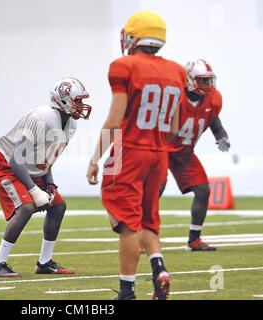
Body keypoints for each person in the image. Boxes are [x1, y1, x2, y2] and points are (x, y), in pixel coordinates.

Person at [86, 10, 186, 300]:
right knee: (147, 220)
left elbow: (115, 120)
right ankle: (159, 269)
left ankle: (127, 291)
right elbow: (175, 126)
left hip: (131, 151)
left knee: (128, 223)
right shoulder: (177, 71)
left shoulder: (124, 65)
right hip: (159, 154)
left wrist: (95, 158)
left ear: (135, 37)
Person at [0, 77, 92, 277]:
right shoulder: (43, 117)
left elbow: (45, 155)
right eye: (78, 101)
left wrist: (49, 183)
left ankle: (44, 262)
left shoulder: (70, 124)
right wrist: (34, 190)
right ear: (64, 100)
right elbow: (16, 159)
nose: (82, 106)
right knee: (25, 207)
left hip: (29, 166)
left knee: (58, 205)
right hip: (3, 163)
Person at [159, 59, 230, 251]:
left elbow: (215, 122)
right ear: (188, 79)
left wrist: (222, 137)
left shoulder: (212, 100)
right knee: (156, 188)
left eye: (208, 80)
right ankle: (139, 235)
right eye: (201, 80)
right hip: (163, 148)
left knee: (203, 190)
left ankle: (194, 240)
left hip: (185, 153)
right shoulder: (175, 97)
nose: (207, 85)